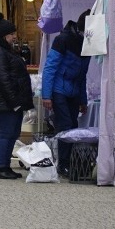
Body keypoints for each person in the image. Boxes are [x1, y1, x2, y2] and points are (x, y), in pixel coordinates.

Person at [0, 15, 34, 180]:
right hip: (4, 101)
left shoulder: (3, 50)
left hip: (8, 100)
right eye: (11, 34)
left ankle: (4, 166)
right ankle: (0, 167)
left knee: (12, 132)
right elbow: (3, 79)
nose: (14, 37)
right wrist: (14, 102)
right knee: (6, 132)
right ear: (4, 35)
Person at [41, 10, 91, 178]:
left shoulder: (88, 43)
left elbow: (83, 75)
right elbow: (49, 68)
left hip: (74, 90)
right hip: (59, 89)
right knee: (66, 125)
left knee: (74, 127)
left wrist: (83, 100)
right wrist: (46, 95)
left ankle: (70, 162)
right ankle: (63, 164)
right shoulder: (62, 40)